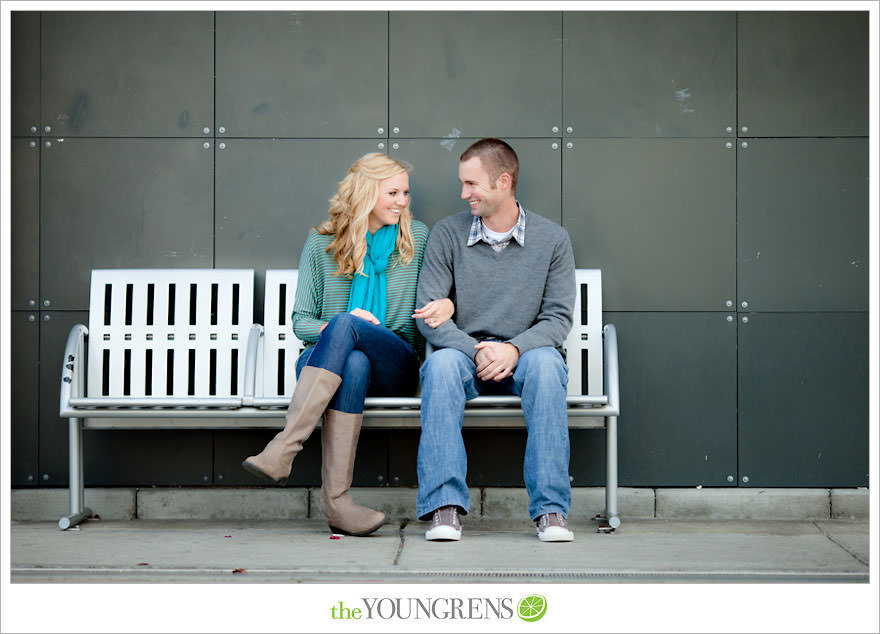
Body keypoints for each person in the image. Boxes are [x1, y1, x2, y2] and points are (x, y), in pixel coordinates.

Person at [243, 153, 453, 537]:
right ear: (364, 192)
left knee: (348, 325)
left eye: (405, 192)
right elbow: (302, 323)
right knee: (352, 357)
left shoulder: (416, 238)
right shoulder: (322, 242)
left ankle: (285, 445)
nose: (402, 201)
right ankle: (337, 502)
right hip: (331, 362)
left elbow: (443, 293)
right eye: (392, 192)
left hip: (396, 360)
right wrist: (346, 327)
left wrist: (446, 304)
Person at [415, 138, 577, 543]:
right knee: (439, 365)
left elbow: (558, 318)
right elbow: (429, 317)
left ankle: (551, 511)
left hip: (527, 352)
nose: (463, 193)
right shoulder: (447, 235)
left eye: (472, 184)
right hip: (467, 352)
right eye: (463, 184)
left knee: (545, 366)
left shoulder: (553, 239)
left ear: (503, 181)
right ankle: (444, 508)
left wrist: (514, 349)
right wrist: (477, 350)